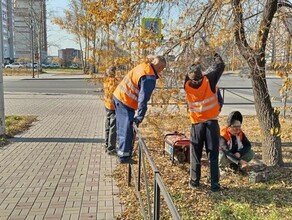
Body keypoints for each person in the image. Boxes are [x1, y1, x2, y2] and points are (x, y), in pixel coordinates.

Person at [113, 56, 167, 164]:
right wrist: (140, 116)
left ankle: (121, 151)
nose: (162, 71)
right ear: (160, 66)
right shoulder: (149, 77)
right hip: (125, 101)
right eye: (162, 68)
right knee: (127, 128)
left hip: (119, 96)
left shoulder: (144, 66)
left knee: (121, 126)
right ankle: (124, 157)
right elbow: (143, 99)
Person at [184, 53, 225, 192]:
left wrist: (194, 61)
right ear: (202, 73)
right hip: (211, 124)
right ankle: (215, 185)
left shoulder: (187, 84)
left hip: (196, 125)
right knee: (212, 155)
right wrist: (215, 56)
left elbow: (188, 72)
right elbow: (220, 66)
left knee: (195, 154)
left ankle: (195, 182)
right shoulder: (209, 80)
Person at [103, 66, 119, 155]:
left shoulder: (106, 80)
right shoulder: (114, 82)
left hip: (107, 105)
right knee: (113, 127)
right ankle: (111, 148)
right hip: (113, 106)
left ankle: (106, 145)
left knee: (108, 125)